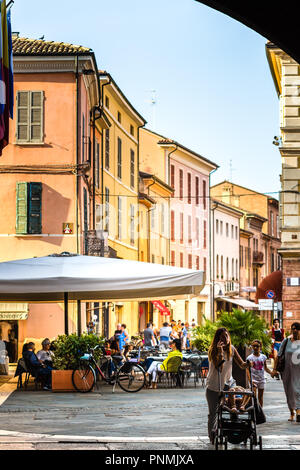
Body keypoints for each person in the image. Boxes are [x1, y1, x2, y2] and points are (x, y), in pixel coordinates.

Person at [205, 327, 252, 444]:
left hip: (228, 384)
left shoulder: (232, 349)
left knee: (232, 406)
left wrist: (248, 364)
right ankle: (212, 435)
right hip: (213, 386)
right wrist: (220, 351)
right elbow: (219, 367)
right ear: (218, 339)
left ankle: (233, 432)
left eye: (226, 336)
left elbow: (241, 364)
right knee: (213, 413)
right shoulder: (213, 350)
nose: (225, 339)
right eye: (222, 337)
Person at [273, 322, 300, 423]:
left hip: (299, 371)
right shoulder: (286, 341)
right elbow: (279, 356)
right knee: (289, 391)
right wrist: (274, 369)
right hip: (287, 371)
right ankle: (292, 413)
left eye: (297, 328)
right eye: (293, 328)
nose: (295, 330)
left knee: (298, 391)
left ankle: (298, 411)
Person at [246, 339, 275, 408]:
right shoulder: (249, 358)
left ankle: (260, 411)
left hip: (261, 379)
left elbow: (265, 368)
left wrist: (271, 373)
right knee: (254, 396)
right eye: (254, 346)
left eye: (257, 346)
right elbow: (247, 370)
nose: (255, 348)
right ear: (252, 347)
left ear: (260, 347)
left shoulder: (263, 357)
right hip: (253, 380)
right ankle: (254, 411)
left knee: (260, 397)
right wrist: (250, 380)